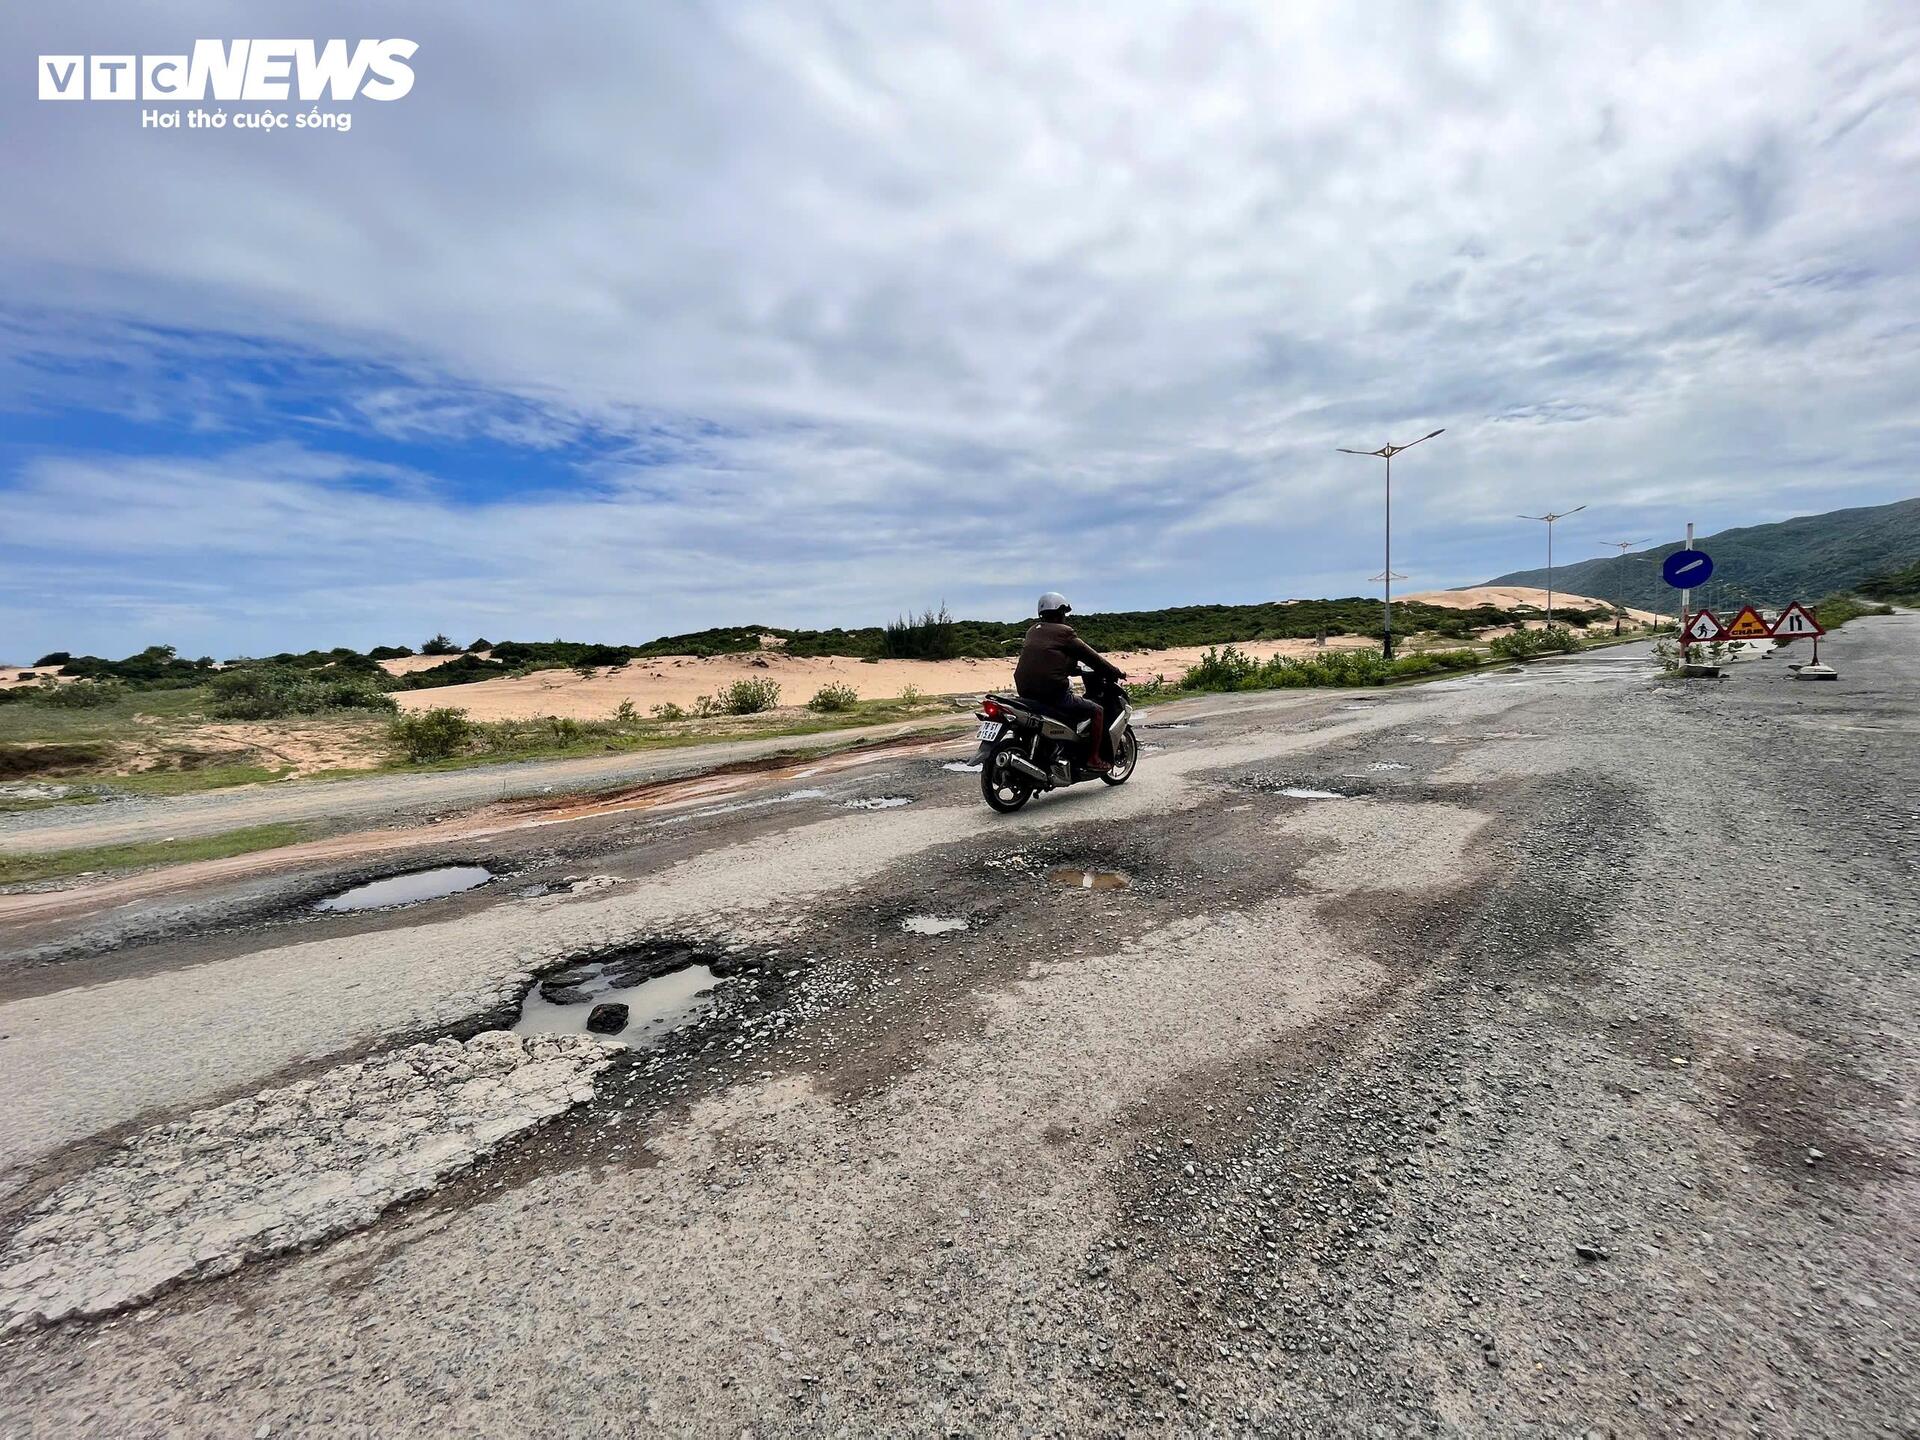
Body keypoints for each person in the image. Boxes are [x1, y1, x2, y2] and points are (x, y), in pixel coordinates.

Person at [1014, 591, 1124, 772]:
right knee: (1097, 711)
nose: (1065, 617)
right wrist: (1115, 672)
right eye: (1064, 613)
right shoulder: (1064, 633)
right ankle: (1094, 759)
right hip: (1053, 694)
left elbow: (1047, 659)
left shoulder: (1032, 631)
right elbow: (1092, 658)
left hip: (1025, 692)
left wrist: (1073, 669)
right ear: (1060, 612)